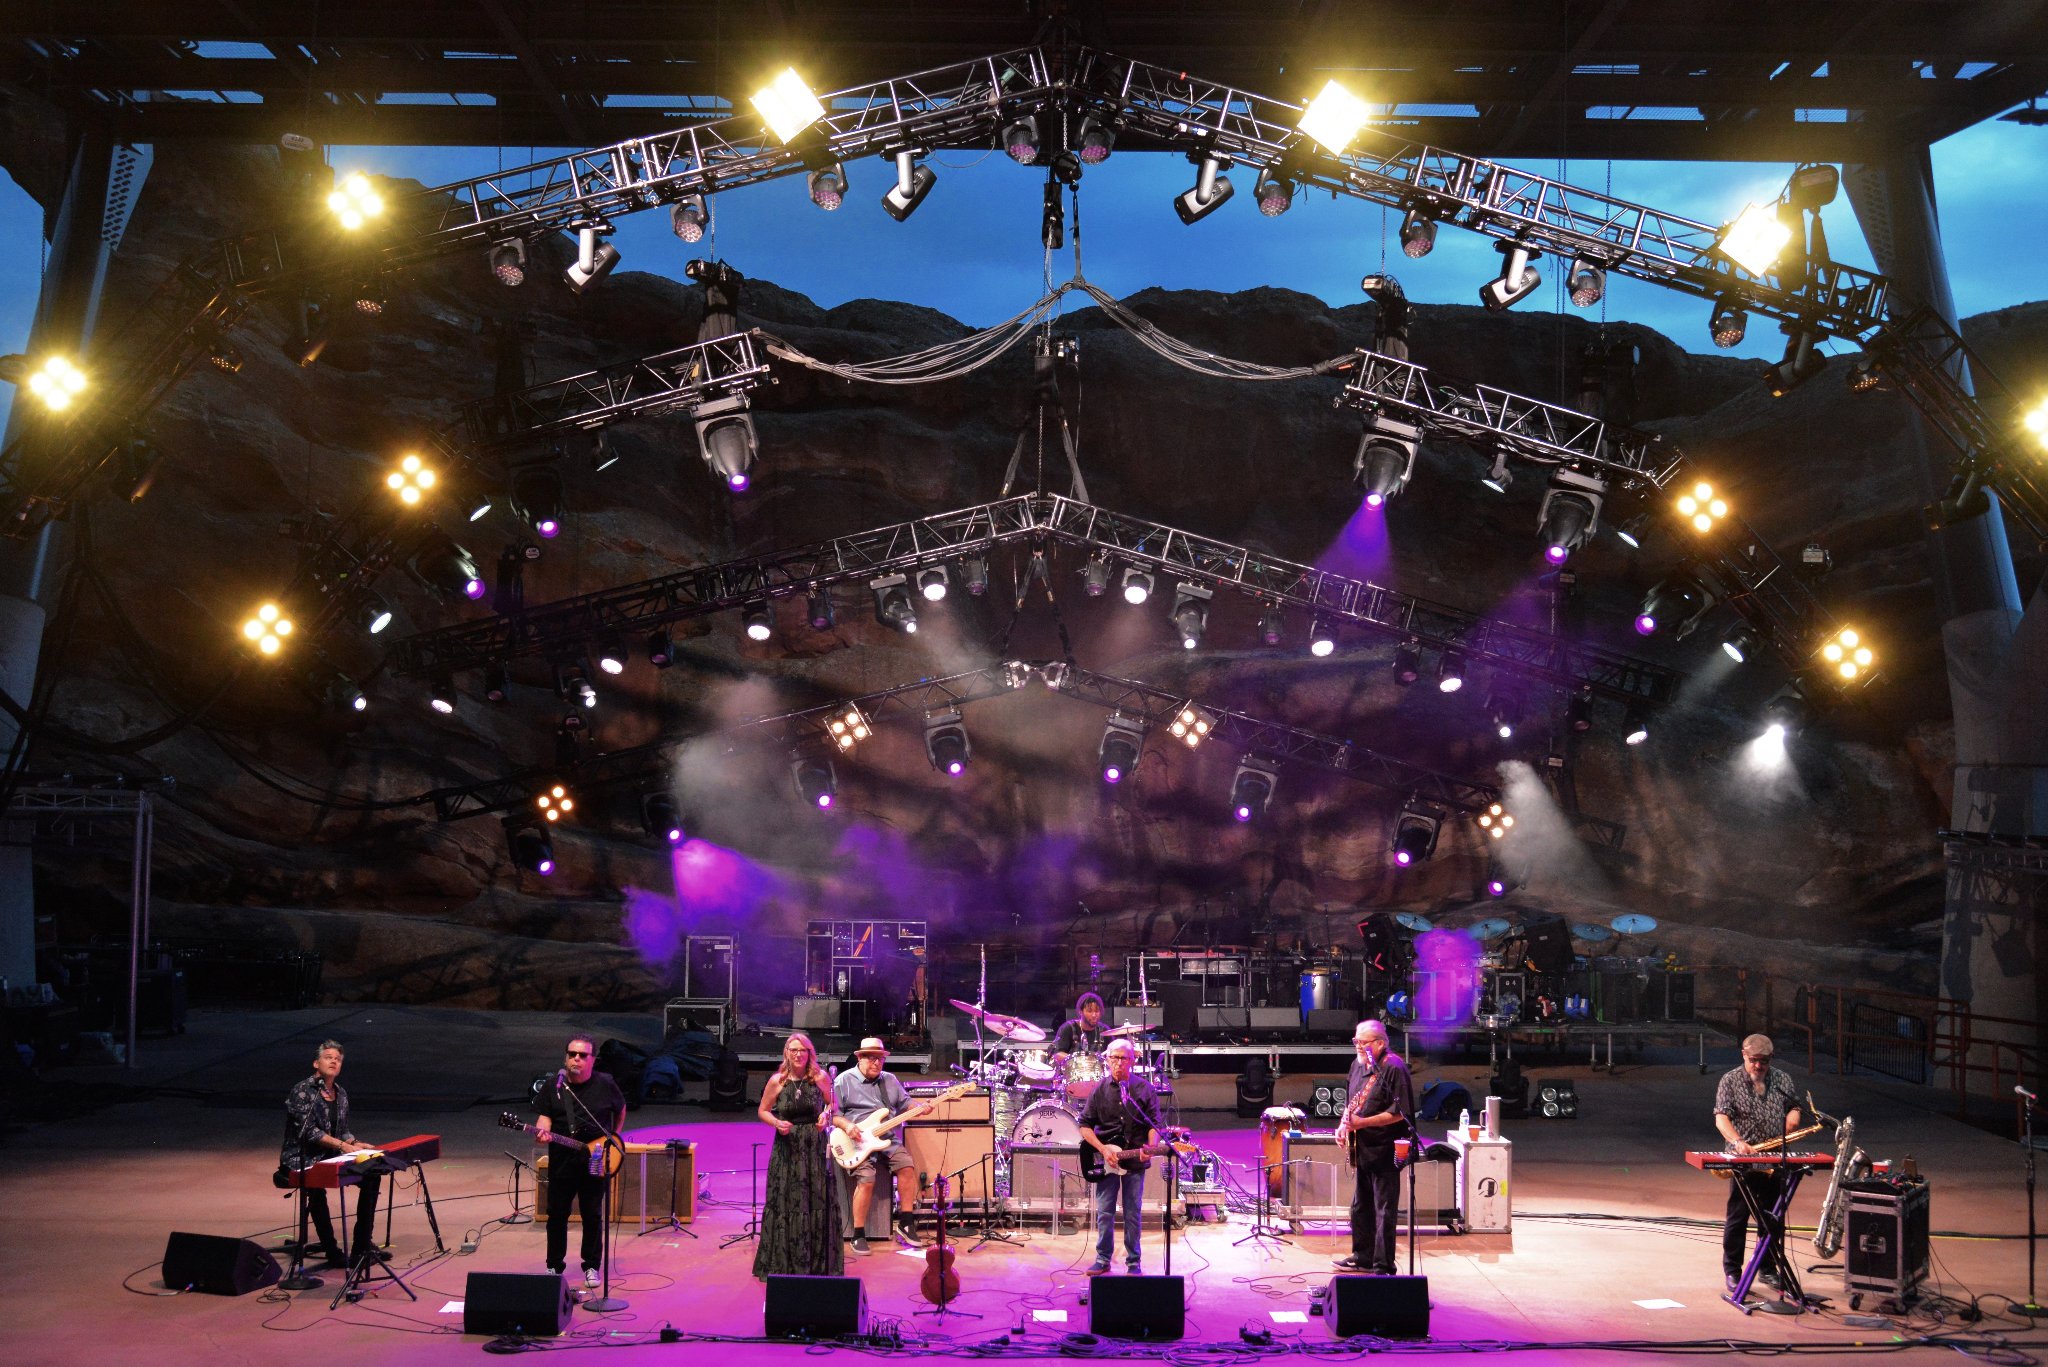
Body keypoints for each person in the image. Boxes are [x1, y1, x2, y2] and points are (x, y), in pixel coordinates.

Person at [533, 1033, 627, 1291]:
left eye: (582, 1055)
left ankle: (592, 1266)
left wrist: (612, 1139)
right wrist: (542, 1130)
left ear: (592, 1060)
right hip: (562, 1160)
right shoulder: (554, 1085)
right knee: (557, 1214)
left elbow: (620, 1109)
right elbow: (545, 1117)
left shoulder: (605, 1084)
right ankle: (554, 1265)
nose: (576, 1059)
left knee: (592, 1214)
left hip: (596, 1160)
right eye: (572, 1054)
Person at [280, 1039, 383, 1269]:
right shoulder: (303, 1091)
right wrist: (343, 1146)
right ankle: (331, 1250)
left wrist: (355, 1143)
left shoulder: (341, 1093)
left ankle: (361, 1246)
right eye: (329, 1057)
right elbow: (310, 1132)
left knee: (372, 1175)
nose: (334, 1061)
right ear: (316, 1063)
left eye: (338, 1059)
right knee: (316, 1188)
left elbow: (342, 1130)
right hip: (301, 1156)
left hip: (329, 1155)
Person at [1714, 1033, 1803, 1296]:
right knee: (1738, 1217)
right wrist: (1738, 1141)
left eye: (1763, 1061)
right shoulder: (1729, 1081)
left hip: (1774, 1158)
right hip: (1744, 1160)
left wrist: (1794, 1117)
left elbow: (1794, 1106)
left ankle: (1768, 1268)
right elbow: (1721, 1119)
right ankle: (1733, 1271)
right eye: (1753, 1060)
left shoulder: (1782, 1079)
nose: (1758, 1067)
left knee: (1773, 1218)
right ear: (1744, 1055)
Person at [754, 1032, 848, 1280]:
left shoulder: (820, 1078)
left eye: (803, 1050)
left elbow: (832, 1105)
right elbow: (762, 1110)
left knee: (814, 1199)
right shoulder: (778, 1081)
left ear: (809, 1054)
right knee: (787, 1200)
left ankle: (815, 1264)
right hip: (787, 1146)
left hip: (814, 1146)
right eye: (793, 1050)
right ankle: (787, 1264)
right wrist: (776, 1122)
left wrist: (825, 1116)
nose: (798, 1054)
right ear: (786, 1053)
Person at [832, 1037, 932, 1253]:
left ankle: (906, 1222)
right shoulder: (843, 1080)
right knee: (867, 1179)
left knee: (906, 1165)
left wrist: (920, 1107)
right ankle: (858, 1233)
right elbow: (834, 1115)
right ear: (859, 1058)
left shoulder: (890, 1080)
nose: (876, 1063)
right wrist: (848, 1126)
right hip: (856, 1141)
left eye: (880, 1059)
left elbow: (906, 1104)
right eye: (871, 1058)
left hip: (886, 1137)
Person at [1077, 1038, 1161, 1275]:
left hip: (1134, 1159)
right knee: (1105, 1212)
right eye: (1114, 1058)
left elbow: (1154, 1125)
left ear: (1132, 1061)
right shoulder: (1099, 1090)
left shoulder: (1144, 1089)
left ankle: (1133, 1262)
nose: (1118, 1063)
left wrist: (1151, 1148)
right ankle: (1103, 1259)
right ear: (1107, 1060)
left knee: (1132, 1212)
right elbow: (1084, 1125)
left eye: (1124, 1058)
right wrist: (1103, 1149)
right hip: (1107, 1161)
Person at [1335, 1019, 1413, 1275]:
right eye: (1356, 1041)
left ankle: (1383, 1264)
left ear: (1380, 1043)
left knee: (1384, 1210)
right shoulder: (1356, 1067)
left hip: (1386, 1149)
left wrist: (1362, 1123)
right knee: (1361, 1207)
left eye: (1363, 1042)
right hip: (1363, 1149)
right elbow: (1351, 1102)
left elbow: (1400, 1113)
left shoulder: (1393, 1068)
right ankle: (1363, 1256)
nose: (1358, 1046)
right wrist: (1343, 1126)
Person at [1051, 992, 1108, 1065]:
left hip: (1098, 1074)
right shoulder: (1068, 1028)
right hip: (1073, 1074)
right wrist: (1081, 1061)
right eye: (1089, 1011)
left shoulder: (1105, 1030)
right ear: (1080, 1011)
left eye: (1097, 1011)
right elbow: (1057, 1055)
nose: (1094, 1015)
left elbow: (1113, 1054)